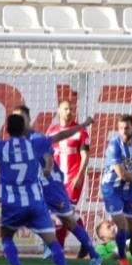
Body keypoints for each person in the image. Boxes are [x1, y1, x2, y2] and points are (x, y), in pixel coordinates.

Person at [0, 109, 94, 265]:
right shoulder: (35, 145)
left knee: (7, 237)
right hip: (35, 202)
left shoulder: (1, 147)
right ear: (24, 129)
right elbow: (62, 135)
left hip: (12, 204)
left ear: (6, 130)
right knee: (52, 242)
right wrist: (83, 124)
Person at [13, 105, 102, 265]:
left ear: (27, 120)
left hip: (51, 186)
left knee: (70, 221)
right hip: (37, 187)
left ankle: (94, 255)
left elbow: (49, 155)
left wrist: (47, 167)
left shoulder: (37, 138)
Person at [100, 114, 132, 265]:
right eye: (120, 128)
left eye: (126, 128)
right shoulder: (114, 146)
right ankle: (122, 258)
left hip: (130, 189)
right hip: (112, 188)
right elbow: (121, 174)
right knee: (121, 224)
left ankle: (116, 247)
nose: (123, 131)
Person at [45, 98, 91, 254]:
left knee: (64, 212)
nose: (69, 112)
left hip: (73, 178)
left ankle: (58, 249)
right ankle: (85, 241)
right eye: (66, 108)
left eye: (72, 109)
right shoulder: (51, 131)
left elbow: (85, 156)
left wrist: (80, 175)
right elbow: (47, 155)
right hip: (57, 180)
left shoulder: (81, 132)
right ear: (59, 110)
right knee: (66, 214)